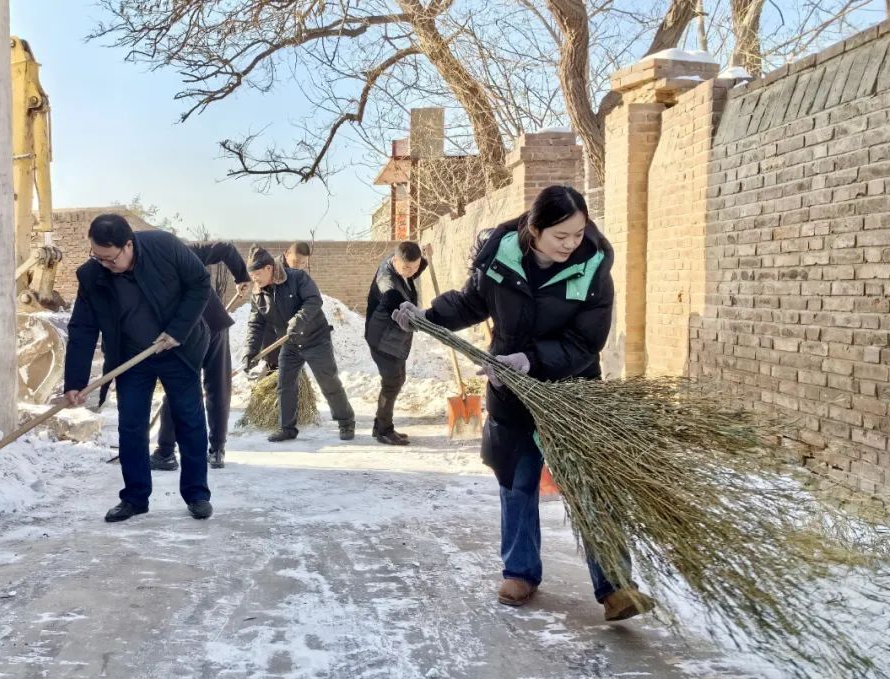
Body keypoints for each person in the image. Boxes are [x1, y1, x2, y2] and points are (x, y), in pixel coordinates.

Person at [392, 185, 656, 622]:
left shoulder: (593, 268)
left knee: (589, 487)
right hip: (511, 391)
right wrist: (429, 318)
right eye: (561, 236)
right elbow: (473, 301)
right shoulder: (501, 256)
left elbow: (586, 342)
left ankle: (615, 585)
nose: (571, 244)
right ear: (534, 230)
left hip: (571, 391)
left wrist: (531, 359)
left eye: (578, 233)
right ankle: (520, 572)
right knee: (516, 480)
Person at [62, 213, 213, 523]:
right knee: (131, 425)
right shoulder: (92, 276)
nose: (104, 264)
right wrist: (74, 381)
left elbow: (199, 283)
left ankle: (197, 494)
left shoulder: (165, 247)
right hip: (131, 357)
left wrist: (178, 329)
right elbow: (82, 329)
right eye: (97, 257)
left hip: (177, 347)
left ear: (128, 245)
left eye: (109, 258)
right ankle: (134, 497)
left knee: (189, 418)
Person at [151, 241, 251, 472]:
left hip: (188, 330)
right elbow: (225, 248)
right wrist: (241, 276)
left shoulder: (141, 268)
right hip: (211, 322)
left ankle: (166, 451)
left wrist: (242, 276)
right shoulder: (179, 249)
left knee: (181, 385)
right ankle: (217, 449)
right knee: (217, 385)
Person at [243, 246, 355, 442]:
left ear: (269, 268)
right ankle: (287, 428)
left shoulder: (296, 278)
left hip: (316, 339)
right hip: (290, 343)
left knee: (328, 381)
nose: (255, 279)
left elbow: (314, 300)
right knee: (285, 384)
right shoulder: (258, 293)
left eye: (258, 274)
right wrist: (250, 352)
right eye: (252, 275)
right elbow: (255, 323)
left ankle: (346, 421)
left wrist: (298, 320)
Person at [364, 241, 427, 446]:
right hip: (382, 339)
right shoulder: (387, 280)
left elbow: (413, 270)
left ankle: (380, 425)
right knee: (392, 382)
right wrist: (416, 317)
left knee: (398, 379)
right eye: (406, 267)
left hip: (394, 339)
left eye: (415, 267)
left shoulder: (403, 270)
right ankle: (384, 430)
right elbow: (392, 298)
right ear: (395, 260)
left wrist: (425, 260)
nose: (411, 272)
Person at [255, 241, 313, 375]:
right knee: (274, 369)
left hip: (290, 330)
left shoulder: (298, 276)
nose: (299, 266)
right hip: (272, 329)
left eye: (304, 263)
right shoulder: (271, 271)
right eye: (296, 261)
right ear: (287, 254)